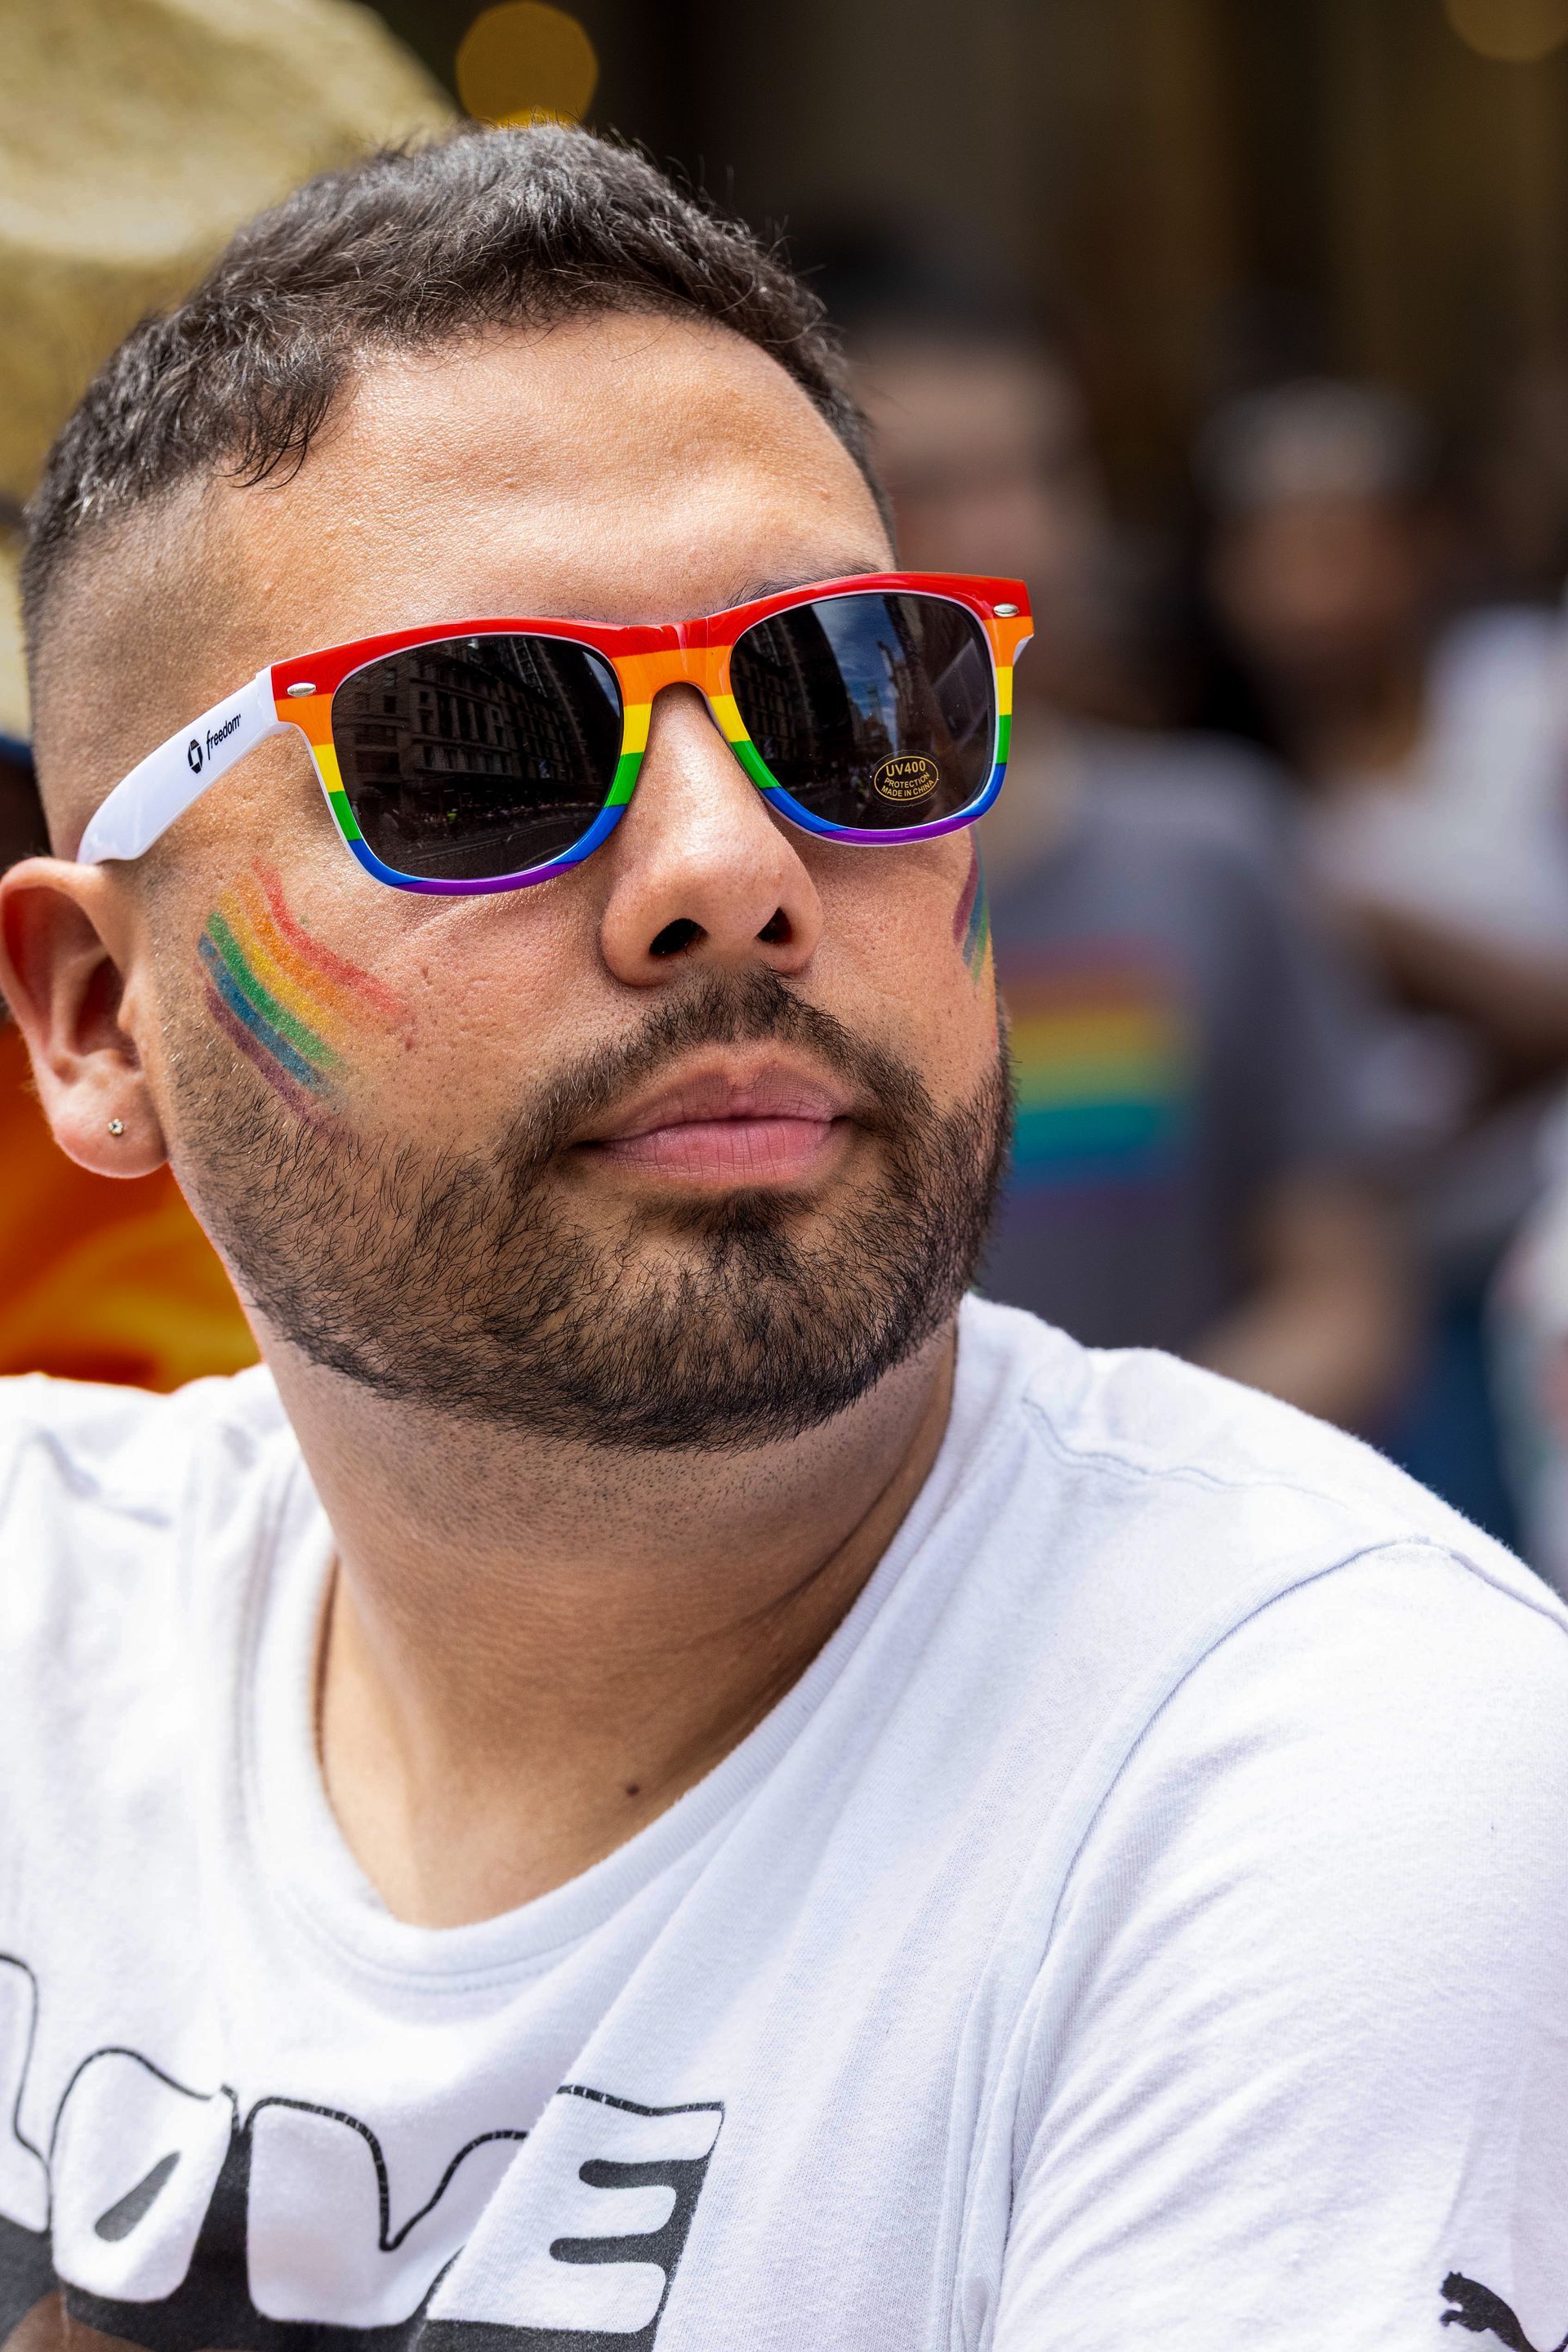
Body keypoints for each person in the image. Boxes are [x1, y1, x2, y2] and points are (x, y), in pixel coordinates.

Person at [0, 126, 1564, 2352]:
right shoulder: (41, 1627)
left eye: (850, 697)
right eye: (470, 750)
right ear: (94, 1022)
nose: (731, 870)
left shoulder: (1323, 1766)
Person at [850, 313, 1409, 1430]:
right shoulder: (749, 899)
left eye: (1048, 472)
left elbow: (1347, 1294)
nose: (1018, 530)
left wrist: (1103, 1491)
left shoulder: (1211, 845)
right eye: (935, 486)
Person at [1201, 379, 1568, 1530]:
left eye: (1339, 546)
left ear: (1426, 546)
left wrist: (1355, 913)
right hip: (1404, 1281)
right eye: (1270, 552)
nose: (1304, 592)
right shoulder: (1228, 787)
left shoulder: (1531, 702)